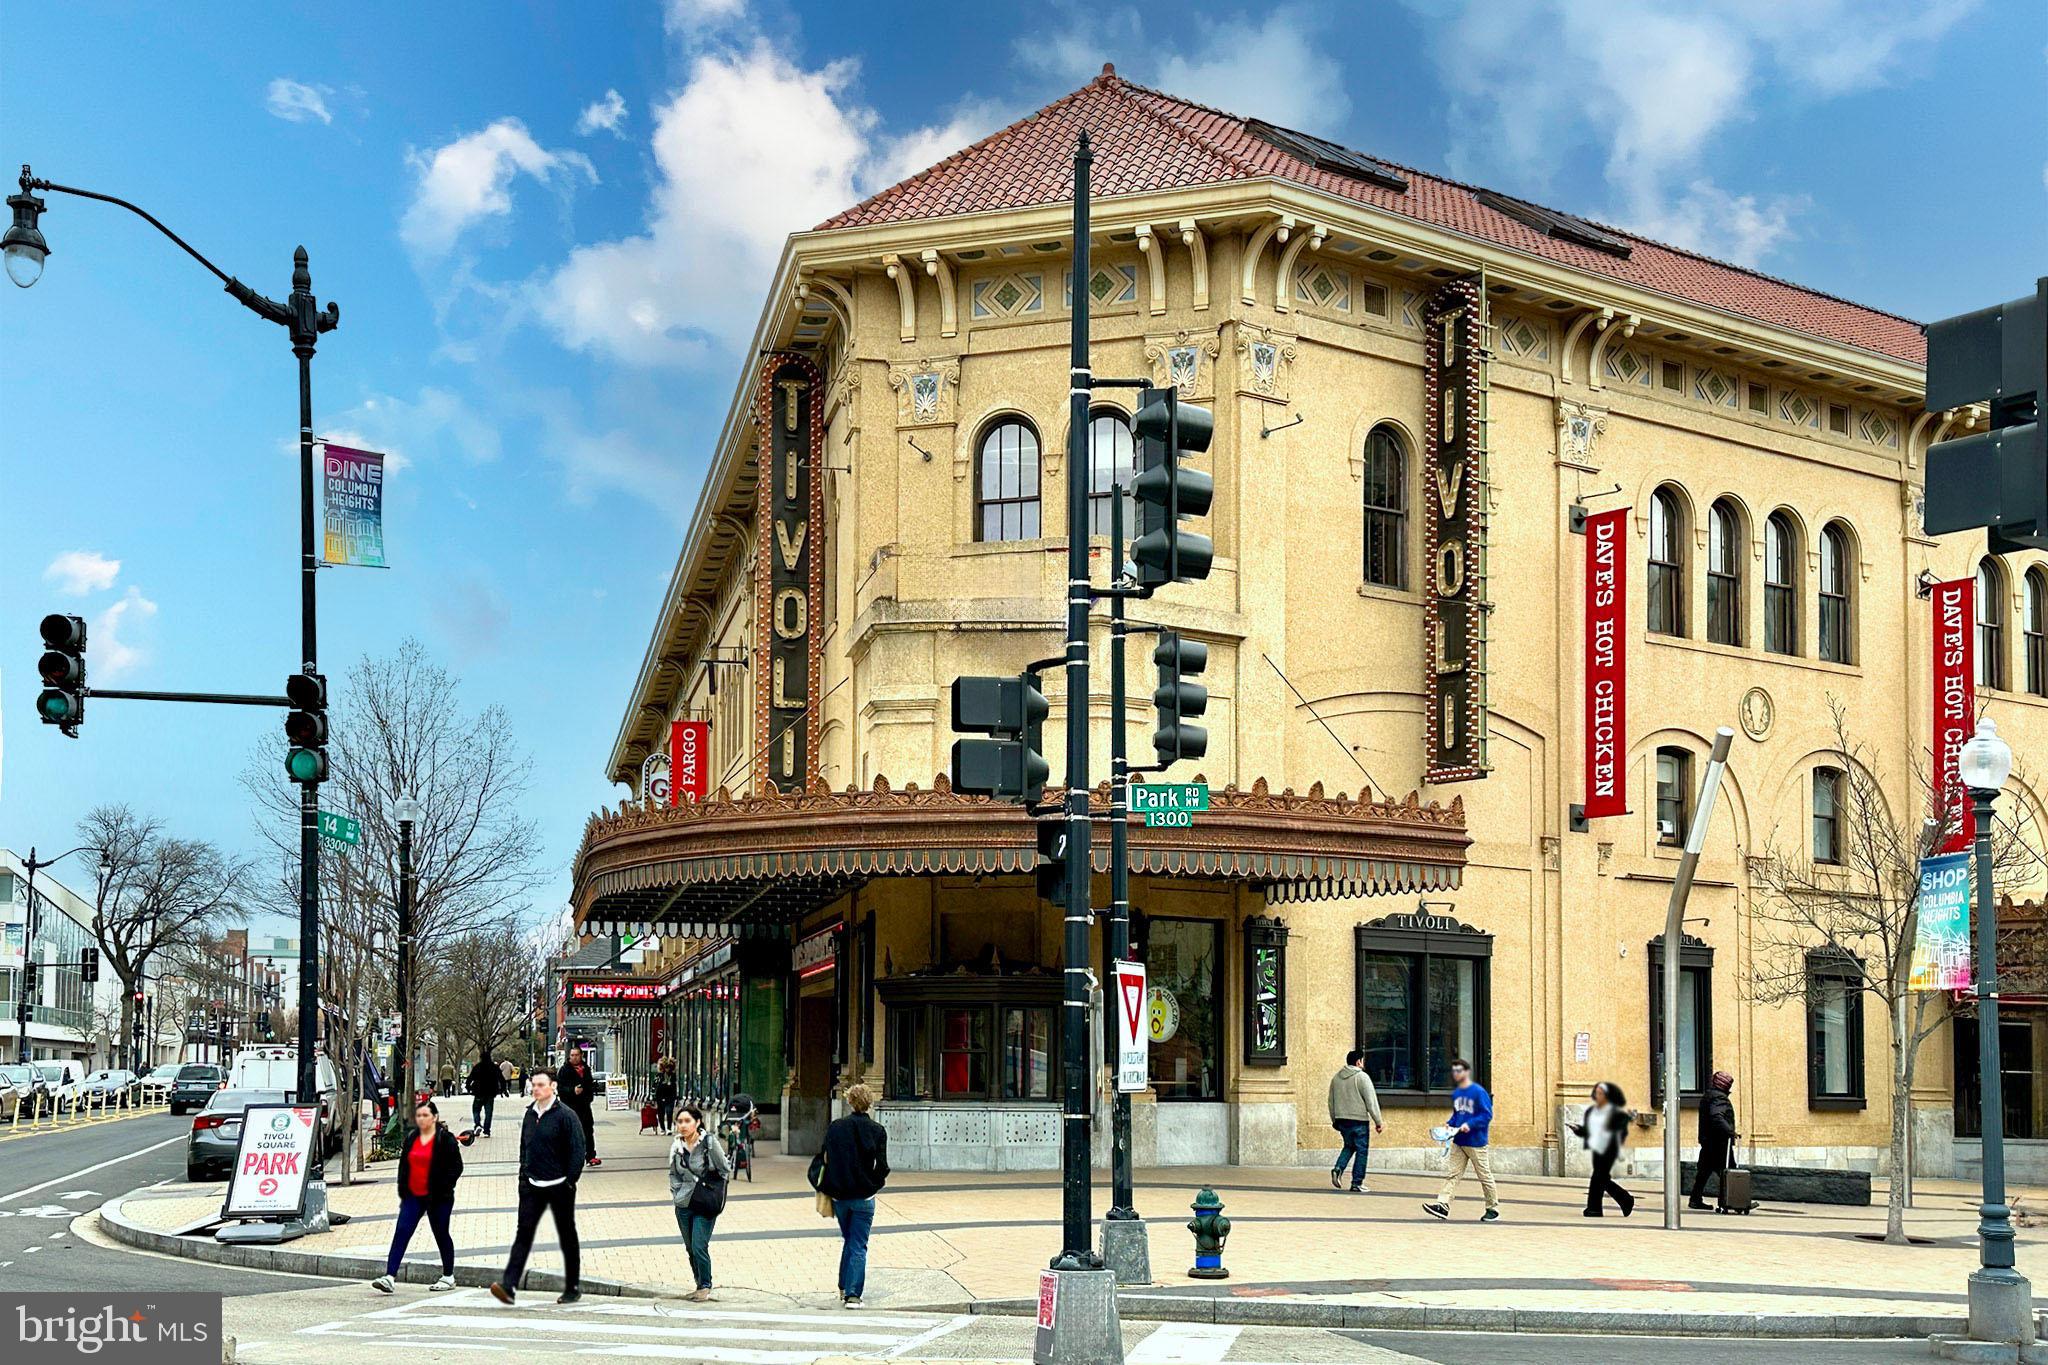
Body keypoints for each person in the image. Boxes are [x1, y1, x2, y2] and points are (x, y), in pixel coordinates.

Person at [489, 1066, 586, 1306]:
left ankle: (572, 1287)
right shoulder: (530, 1114)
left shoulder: (566, 1116)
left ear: (553, 1086)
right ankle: (508, 1286)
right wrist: (523, 1176)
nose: (536, 1089)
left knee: (566, 1234)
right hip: (532, 1184)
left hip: (559, 1185)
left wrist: (570, 1181)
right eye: (534, 1085)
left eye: (541, 1085)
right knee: (524, 1233)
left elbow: (578, 1150)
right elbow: (525, 1146)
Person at [371, 1099, 464, 1293]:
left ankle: (448, 1276)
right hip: (413, 1196)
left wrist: (443, 1186)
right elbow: (404, 1165)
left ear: (435, 1117)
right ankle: (389, 1276)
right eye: (419, 1115)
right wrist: (403, 1189)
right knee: (402, 1231)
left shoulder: (445, 1139)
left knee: (441, 1233)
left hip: (438, 1197)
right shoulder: (412, 1137)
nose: (421, 1119)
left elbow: (457, 1167)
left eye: (425, 1115)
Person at [815, 1082, 890, 1309]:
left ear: (849, 1101)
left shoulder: (836, 1127)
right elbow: (882, 1166)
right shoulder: (877, 1131)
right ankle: (853, 1294)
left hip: (841, 1195)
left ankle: (843, 1285)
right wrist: (874, 1184)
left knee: (849, 1239)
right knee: (858, 1244)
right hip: (864, 1196)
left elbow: (826, 1157)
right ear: (870, 1103)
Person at [1421, 1059, 1500, 1222]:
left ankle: (1493, 1208)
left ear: (1467, 1072)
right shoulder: (1458, 1093)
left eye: (1459, 1070)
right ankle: (1443, 1205)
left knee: (1484, 1175)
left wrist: (1469, 1125)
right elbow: (1457, 1114)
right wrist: (1450, 1124)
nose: (1456, 1074)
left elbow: (1486, 1115)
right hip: (1459, 1140)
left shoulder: (1478, 1092)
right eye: (1454, 1071)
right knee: (1453, 1174)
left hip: (1476, 1142)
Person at [667, 1104, 731, 1302]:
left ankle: (705, 1285)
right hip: (684, 1203)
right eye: (680, 1121)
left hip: (705, 1202)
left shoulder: (709, 1142)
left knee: (699, 1245)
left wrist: (713, 1189)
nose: (683, 1125)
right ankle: (698, 1283)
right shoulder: (676, 1146)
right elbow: (673, 1173)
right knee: (690, 1248)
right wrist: (677, 1193)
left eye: (688, 1121)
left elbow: (724, 1169)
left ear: (697, 1122)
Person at [1568, 1081, 1635, 1217]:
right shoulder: (1592, 1111)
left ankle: (1597, 1208)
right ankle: (1621, 1200)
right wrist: (1578, 1129)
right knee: (1601, 1178)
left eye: (1601, 1093)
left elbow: (1620, 1130)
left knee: (1598, 1177)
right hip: (1597, 1149)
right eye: (1597, 1093)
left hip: (1609, 1148)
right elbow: (1589, 1131)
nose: (1598, 1096)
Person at [1326, 1049, 1384, 1193]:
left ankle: (1338, 1168)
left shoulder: (1336, 1078)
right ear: (1358, 1062)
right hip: (1358, 1120)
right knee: (1361, 1151)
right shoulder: (1362, 1077)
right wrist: (1378, 1121)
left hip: (1342, 1119)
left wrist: (1335, 1120)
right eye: (1362, 1060)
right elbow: (1371, 1102)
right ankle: (1357, 1183)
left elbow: (1331, 1102)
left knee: (1349, 1146)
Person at [1690, 1069, 1738, 1210]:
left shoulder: (1708, 1096)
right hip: (1719, 1142)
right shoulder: (1719, 1098)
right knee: (1729, 1172)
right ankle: (1733, 1201)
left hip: (1708, 1141)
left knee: (1704, 1172)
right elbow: (1717, 1117)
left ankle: (1695, 1199)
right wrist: (1731, 1132)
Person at [559, 1045, 601, 1167]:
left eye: (577, 1055)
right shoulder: (564, 1070)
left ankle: (590, 1156)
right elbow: (560, 1089)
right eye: (572, 1055)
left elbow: (589, 1085)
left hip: (584, 1106)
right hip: (570, 1107)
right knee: (570, 1133)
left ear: (581, 1055)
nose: (574, 1057)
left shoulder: (586, 1069)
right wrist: (572, 1090)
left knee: (588, 1131)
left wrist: (588, 1095)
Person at [468, 1051, 504, 1137]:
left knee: (476, 1110)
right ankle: (487, 1131)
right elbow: (501, 1079)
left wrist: (468, 1087)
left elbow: (470, 1078)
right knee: (488, 1112)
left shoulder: (477, 1067)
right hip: (490, 1093)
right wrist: (503, 1089)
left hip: (479, 1092)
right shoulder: (494, 1067)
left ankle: (477, 1124)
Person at [653, 1057, 679, 1136]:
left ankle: (669, 1128)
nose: (668, 1069)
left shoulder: (672, 1076)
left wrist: (675, 1096)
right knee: (661, 1113)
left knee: (669, 1112)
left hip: (670, 1096)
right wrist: (653, 1096)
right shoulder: (659, 1075)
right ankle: (662, 1128)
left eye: (669, 1068)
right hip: (660, 1096)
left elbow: (674, 1086)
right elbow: (655, 1085)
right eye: (666, 1067)